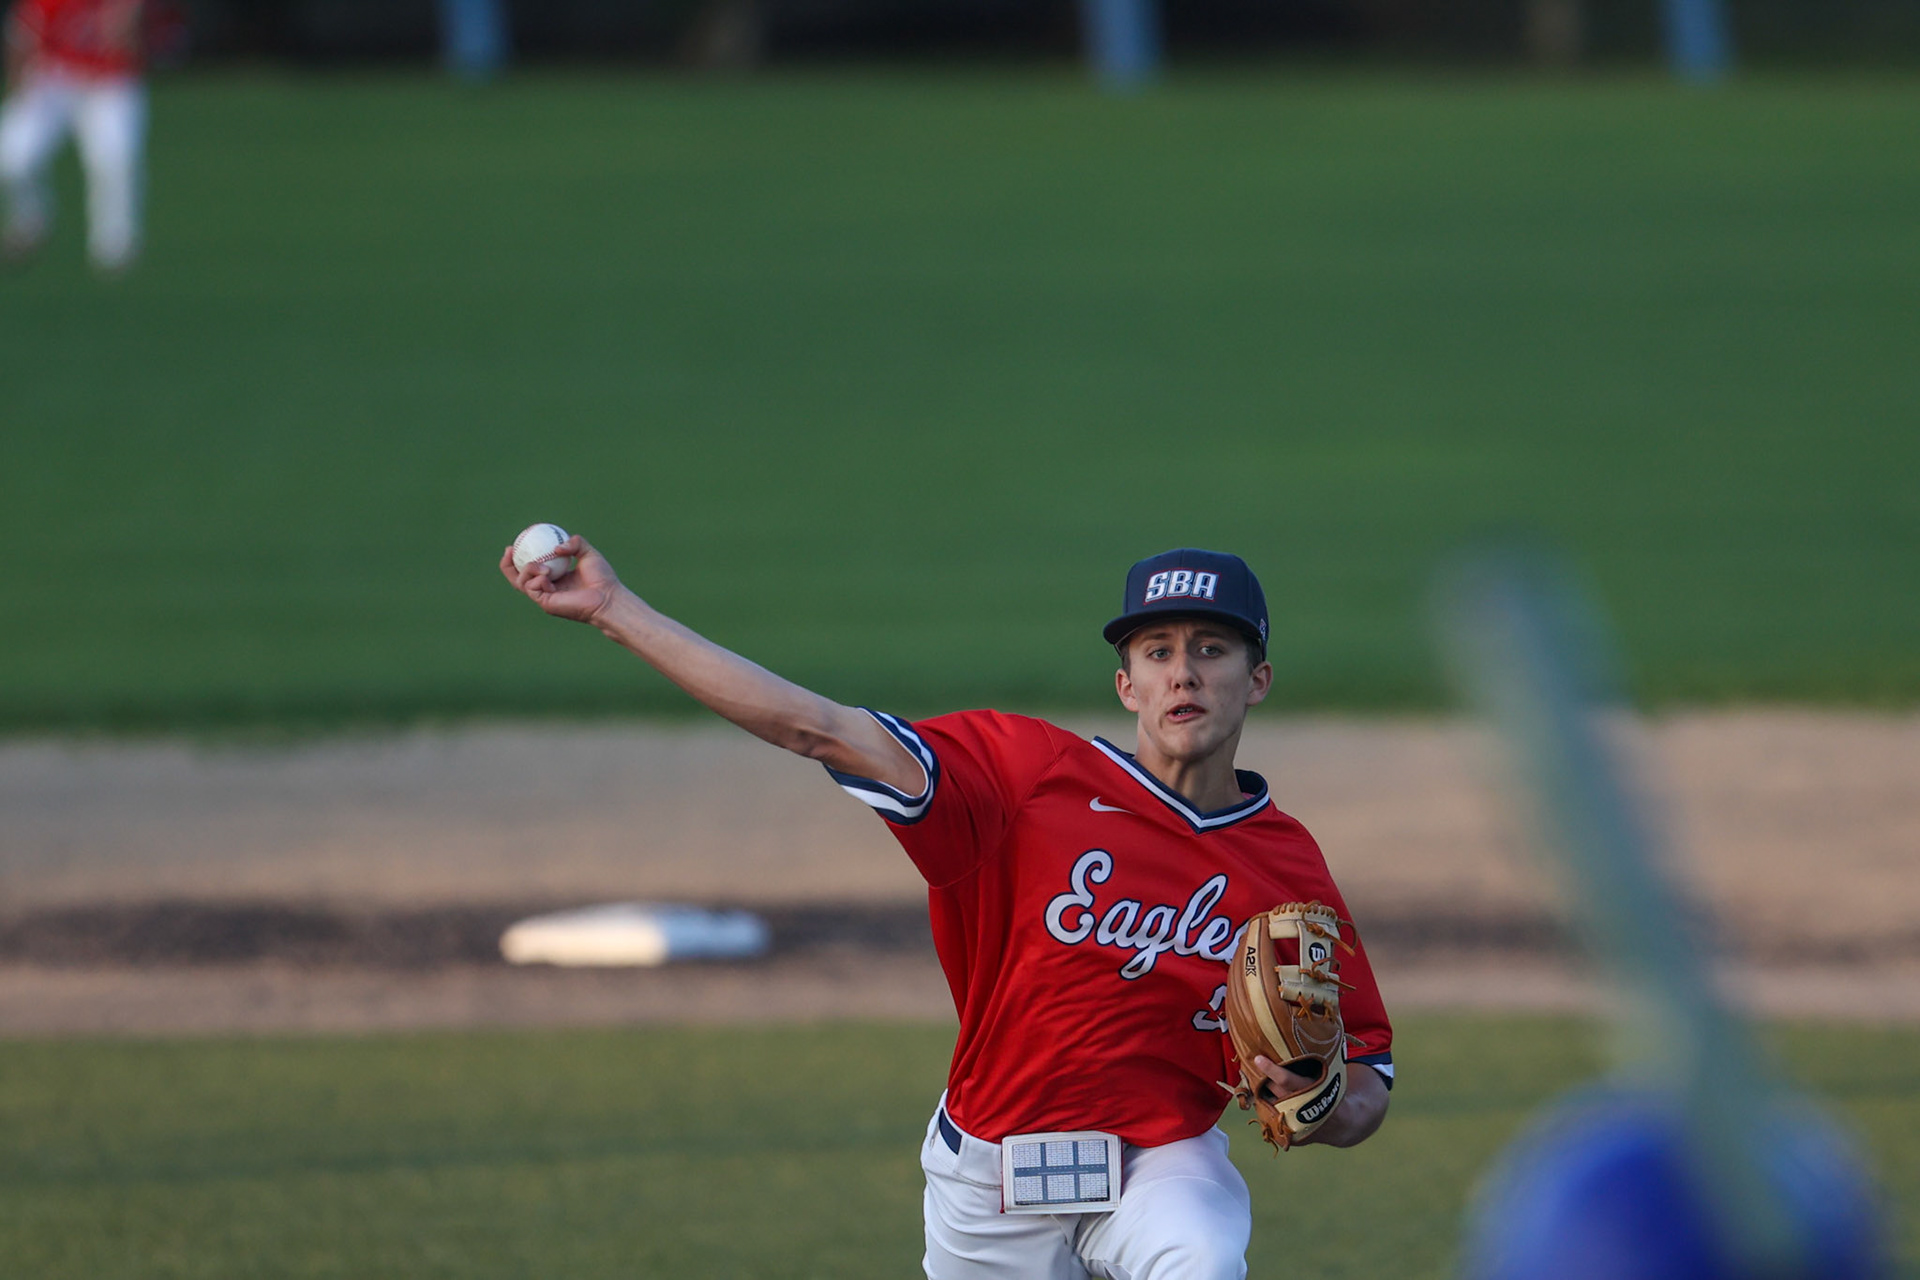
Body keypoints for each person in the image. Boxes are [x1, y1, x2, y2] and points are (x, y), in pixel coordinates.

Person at [501, 539, 1395, 1279]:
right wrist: (616, 609)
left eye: (1212, 648)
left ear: (1259, 677)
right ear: (1127, 686)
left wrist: (1319, 1095)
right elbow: (817, 727)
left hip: (1162, 1163)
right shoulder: (1023, 778)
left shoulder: (1286, 864)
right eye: (1157, 652)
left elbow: (1366, 1087)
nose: (1183, 674)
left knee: (1201, 1259)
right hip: (989, 1174)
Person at [1, 0, 145, 271]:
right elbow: (20, 39)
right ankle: (30, 221)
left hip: (109, 81)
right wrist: (17, 86)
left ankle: (115, 248)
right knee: (12, 156)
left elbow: (132, 39)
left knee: (113, 159)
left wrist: (128, 25)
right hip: (54, 79)